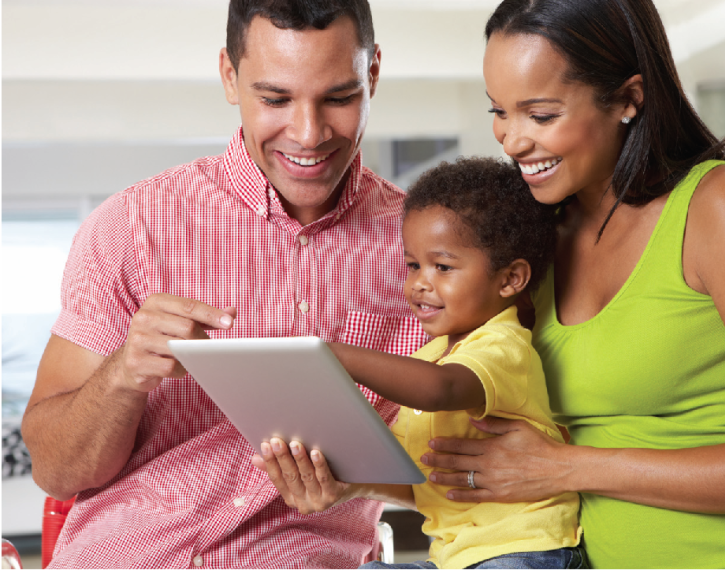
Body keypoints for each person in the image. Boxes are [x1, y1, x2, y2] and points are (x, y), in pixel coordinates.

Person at [20, 1, 429, 567]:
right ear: (230, 77)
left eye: (338, 97)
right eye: (275, 99)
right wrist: (124, 373)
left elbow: (472, 468)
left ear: (373, 74)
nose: (309, 135)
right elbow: (56, 471)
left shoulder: (431, 253)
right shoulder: (132, 226)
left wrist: (359, 485)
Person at [418, 0, 725, 568]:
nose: (511, 140)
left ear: (628, 99)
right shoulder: (532, 238)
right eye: (499, 110)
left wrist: (565, 466)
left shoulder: (720, 207)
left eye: (540, 115)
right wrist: (354, 483)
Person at [256, 157, 585, 569]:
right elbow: (423, 480)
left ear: (510, 279)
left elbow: (439, 389)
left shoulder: (504, 346)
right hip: (455, 558)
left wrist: (332, 354)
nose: (419, 283)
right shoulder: (432, 354)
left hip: (522, 549)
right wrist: (340, 479)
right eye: (413, 265)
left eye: (442, 267)